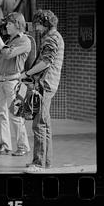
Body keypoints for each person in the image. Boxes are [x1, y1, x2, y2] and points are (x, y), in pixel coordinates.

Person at [20, 9, 64, 172]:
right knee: (44, 124)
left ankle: (39, 164)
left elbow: (46, 62)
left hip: (45, 86)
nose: (36, 29)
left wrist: (27, 73)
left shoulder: (51, 38)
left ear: (45, 23)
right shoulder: (54, 36)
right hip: (47, 84)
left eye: (37, 25)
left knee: (39, 124)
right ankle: (45, 161)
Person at [0, 12, 31, 156]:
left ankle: (23, 146)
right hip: (0, 78)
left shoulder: (25, 41)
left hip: (13, 81)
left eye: (9, 24)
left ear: (17, 24)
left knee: (16, 114)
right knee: (1, 114)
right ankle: (5, 145)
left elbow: (8, 54)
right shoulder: (9, 40)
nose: (6, 26)